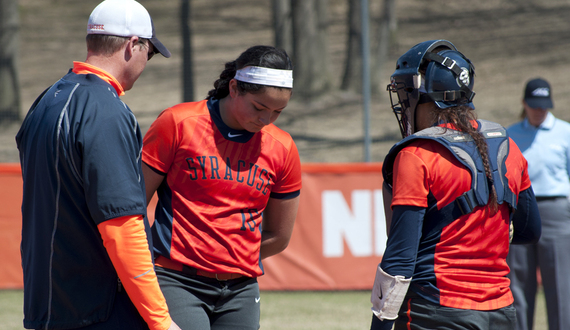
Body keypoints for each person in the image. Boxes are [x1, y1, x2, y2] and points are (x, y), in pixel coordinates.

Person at [15, 0, 180, 329]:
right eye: (149, 52)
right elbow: (122, 226)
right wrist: (161, 321)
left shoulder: (48, 98)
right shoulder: (104, 109)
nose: (147, 62)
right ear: (133, 46)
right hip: (98, 309)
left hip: (47, 302)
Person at [369, 39, 542, 330]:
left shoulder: (417, 155)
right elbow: (529, 230)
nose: (402, 102)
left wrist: (379, 325)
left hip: (438, 310)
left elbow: (400, 259)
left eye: (406, 93)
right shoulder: (509, 146)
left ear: (424, 95)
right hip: (501, 311)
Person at [141, 45, 302, 330]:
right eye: (259, 107)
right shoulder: (179, 123)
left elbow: (279, 235)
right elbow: (133, 204)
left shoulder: (283, 147)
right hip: (176, 280)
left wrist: (230, 254)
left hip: (241, 290)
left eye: (278, 111)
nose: (266, 120)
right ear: (235, 87)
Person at [506, 78, 570, 330]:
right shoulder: (510, 135)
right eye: (534, 105)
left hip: (556, 210)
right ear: (524, 104)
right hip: (520, 209)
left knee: (560, 282)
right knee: (518, 282)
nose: (539, 110)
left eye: (544, 105)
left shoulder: (565, 133)